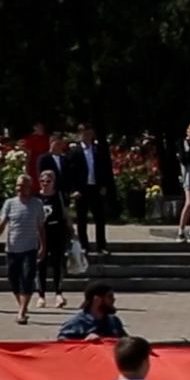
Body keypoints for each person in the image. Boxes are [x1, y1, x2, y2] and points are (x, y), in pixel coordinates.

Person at [0, 173, 47, 327]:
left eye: (23, 186)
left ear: (30, 188)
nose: (19, 189)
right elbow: (2, 223)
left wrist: (43, 246)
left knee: (27, 278)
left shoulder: (37, 204)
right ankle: (23, 305)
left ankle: (22, 311)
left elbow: (41, 227)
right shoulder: (9, 203)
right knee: (13, 278)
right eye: (18, 186)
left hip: (30, 248)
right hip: (12, 248)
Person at [74, 124, 115, 256]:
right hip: (81, 189)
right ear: (80, 134)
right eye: (84, 133)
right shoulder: (75, 151)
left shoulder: (99, 149)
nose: (87, 136)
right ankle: (84, 245)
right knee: (81, 219)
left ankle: (101, 245)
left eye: (89, 133)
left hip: (96, 188)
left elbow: (107, 169)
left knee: (100, 218)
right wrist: (74, 189)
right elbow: (71, 172)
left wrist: (105, 186)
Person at [37, 168, 72, 310]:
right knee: (41, 264)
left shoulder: (59, 196)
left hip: (57, 232)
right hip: (40, 234)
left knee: (57, 263)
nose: (45, 184)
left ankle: (58, 293)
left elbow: (65, 214)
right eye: (43, 181)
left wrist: (72, 231)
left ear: (53, 182)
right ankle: (41, 295)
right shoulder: (36, 198)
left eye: (48, 181)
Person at [59, 282, 129, 341]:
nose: (114, 299)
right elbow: (62, 345)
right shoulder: (77, 323)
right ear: (97, 299)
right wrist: (84, 342)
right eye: (109, 296)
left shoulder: (113, 321)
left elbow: (126, 344)